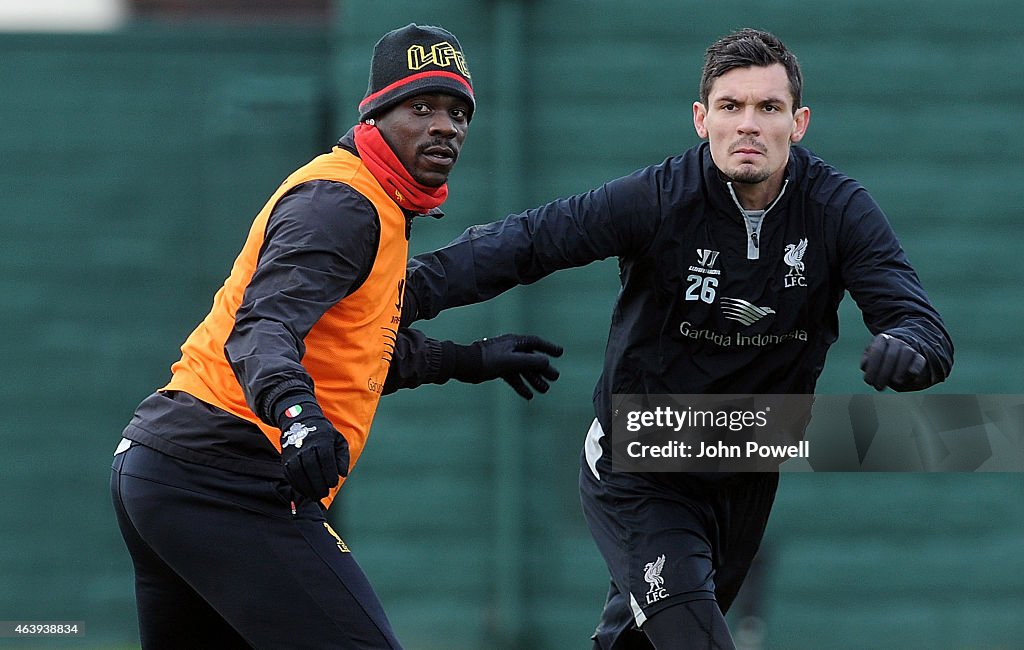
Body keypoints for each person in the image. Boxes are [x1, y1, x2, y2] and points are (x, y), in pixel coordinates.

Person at [396, 28, 954, 649]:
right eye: (730, 107)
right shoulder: (659, 198)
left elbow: (921, 323)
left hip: (747, 465)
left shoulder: (838, 209)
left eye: (768, 108)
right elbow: (530, 242)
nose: (749, 125)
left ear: (798, 123)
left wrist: (910, 348)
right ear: (700, 119)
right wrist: (400, 295)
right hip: (641, 462)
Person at [110, 24, 561, 650]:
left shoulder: (374, 204)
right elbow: (263, 329)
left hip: (165, 466)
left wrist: (466, 359)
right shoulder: (342, 203)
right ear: (375, 114)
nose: (446, 127)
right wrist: (297, 416)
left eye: (459, 112)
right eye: (421, 106)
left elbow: (350, 346)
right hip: (226, 473)